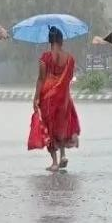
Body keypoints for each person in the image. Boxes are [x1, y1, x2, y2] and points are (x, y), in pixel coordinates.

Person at [32, 26, 81, 172]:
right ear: (61, 40)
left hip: (48, 97)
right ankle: (63, 155)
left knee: (50, 128)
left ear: (49, 41)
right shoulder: (70, 59)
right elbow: (70, 77)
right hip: (64, 97)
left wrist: (35, 97)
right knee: (63, 125)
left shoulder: (45, 58)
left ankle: (54, 162)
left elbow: (41, 79)